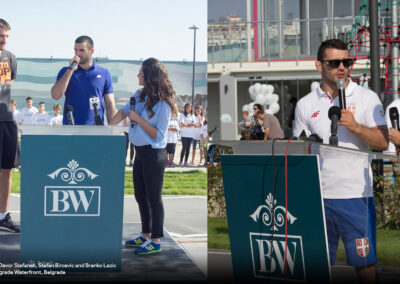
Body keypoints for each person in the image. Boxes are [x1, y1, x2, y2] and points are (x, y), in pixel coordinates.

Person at [293, 39, 388, 284]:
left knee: (365, 266)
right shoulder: (305, 104)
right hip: (318, 198)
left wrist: (356, 126)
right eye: (335, 62)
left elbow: (382, 142)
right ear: (319, 65)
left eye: (347, 61)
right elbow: (299, 150)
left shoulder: (367, 98)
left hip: (355, 196)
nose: (342, 67)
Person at [109, 58, 174, 255]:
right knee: (140, 196)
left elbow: (159, 134)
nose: (137, 76)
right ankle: (145, 234)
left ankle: (155, 240)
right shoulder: (138, 95)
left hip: (154, 154)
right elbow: (124, 111)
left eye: (140, 73)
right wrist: (111, 123)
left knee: (154, 198)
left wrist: (137, 118)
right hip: (140, 153)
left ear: (149, 76)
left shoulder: (164, 104)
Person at [50, 35, 117, 125]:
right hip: (71, 129)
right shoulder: (65, 72)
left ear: (91, 51)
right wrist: (71, 70)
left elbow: (110, 105)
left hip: (96, 129)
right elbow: (55, 95)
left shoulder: (104, 73)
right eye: (75, 50)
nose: (77, 54)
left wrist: (112, 130)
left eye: (81, 50)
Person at [0, 19, 20, 233]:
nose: (3, 40)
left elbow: (8, 87)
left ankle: (3, 216)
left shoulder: (11, 58)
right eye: (0, 35)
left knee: (7, 170)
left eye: (6, 36)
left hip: (6, 119)